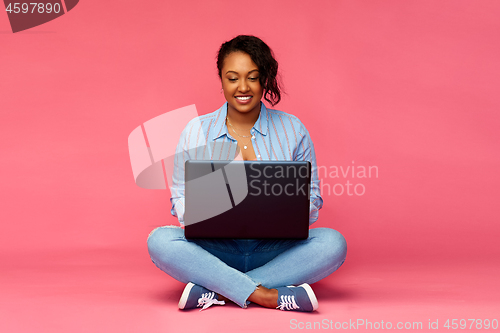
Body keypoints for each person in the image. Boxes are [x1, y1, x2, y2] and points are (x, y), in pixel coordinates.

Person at [147, 35, 347, 312]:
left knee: (333, 243)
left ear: (264, 79)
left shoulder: (293, 129)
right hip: (216, 250)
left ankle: (219, 291)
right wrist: (204, 212)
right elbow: (178, 199)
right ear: (221, 80)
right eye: (233, 78)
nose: (243, 87)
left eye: (252, 77)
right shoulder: (196, 130)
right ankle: (268, 295)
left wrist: (293, 210)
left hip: (275, 249)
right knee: (160, 240)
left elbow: (313, 198)